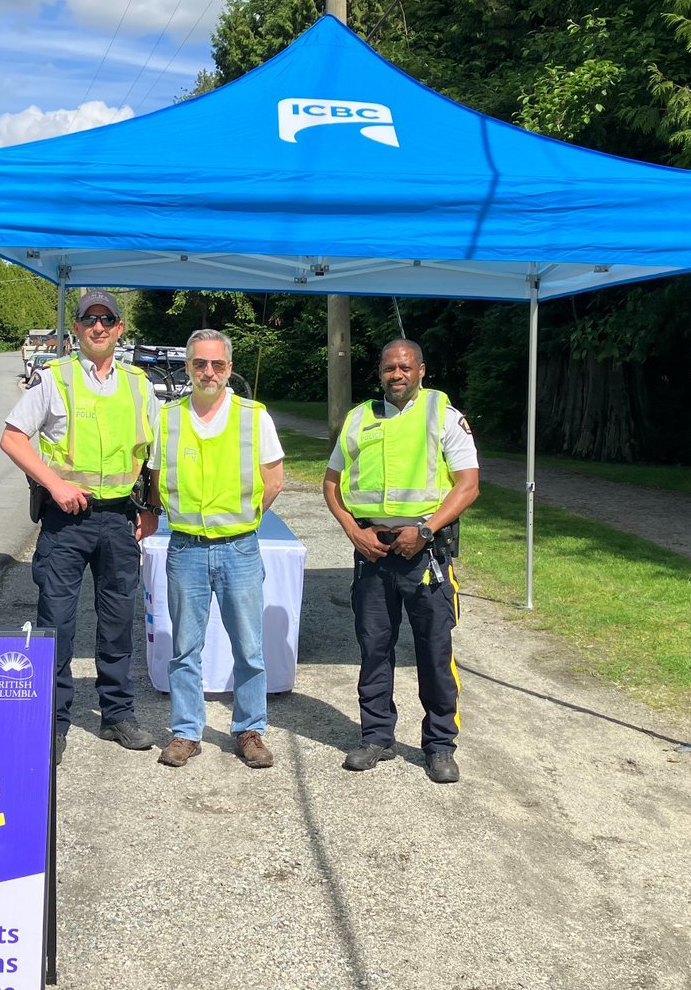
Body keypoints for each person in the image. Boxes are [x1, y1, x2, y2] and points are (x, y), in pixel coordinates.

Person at [0, 290, 158, 766]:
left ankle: (117, 714)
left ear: (119, 328)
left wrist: (151, 508)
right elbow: (11, 438)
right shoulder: (55, 379)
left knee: (116, 622)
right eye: (90, 319)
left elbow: (153, 454)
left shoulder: (139, 384)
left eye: (107, 319)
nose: (98, 327)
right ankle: (55, 722)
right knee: (57, 622)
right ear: (77, 328)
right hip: (66, 519)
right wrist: (54, 483)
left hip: (119, 518)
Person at [323, 339, 480, 784]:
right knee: (374, 648)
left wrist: (426, 530)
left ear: (421, 371)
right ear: (380, 372)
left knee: (434, 651)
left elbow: (467, 485)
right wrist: (354, 531)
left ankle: (439, 745)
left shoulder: (444, 417)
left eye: (405, 367)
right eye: (390, 368)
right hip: (372, 551)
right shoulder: (358, 419)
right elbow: (331, 483)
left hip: (425, 553)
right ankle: (376, 737)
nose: (397, 374)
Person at [147, 329, 284, 769]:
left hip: (239, 549)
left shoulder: (254, 416)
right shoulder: (167, 418)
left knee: (249, 648)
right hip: (185, 548)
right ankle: (186, 732)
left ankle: (250, 730)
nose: (209, 372)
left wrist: (239, 521)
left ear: (229, 368)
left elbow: (273, 479)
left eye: (218, 364)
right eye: (200, 364)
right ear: (187, 366)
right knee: (185, 648)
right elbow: (154, 479)